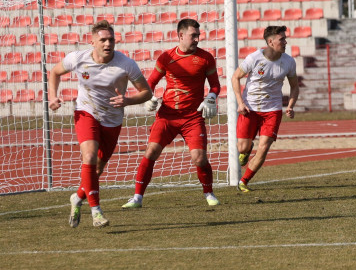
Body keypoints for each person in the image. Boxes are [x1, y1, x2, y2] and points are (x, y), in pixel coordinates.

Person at [47, 21, 152, 228]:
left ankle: (77, 197)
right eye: (103, 40)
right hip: (86, 112)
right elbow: (55, 72)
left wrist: (128, 100)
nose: (107, 43)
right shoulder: (78, 58)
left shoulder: (126, 64)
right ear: (92, 41)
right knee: (89, 156)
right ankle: (96, 212)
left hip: (112, 120)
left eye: (111, 39)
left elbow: (146, 92)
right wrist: (53, 96)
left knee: (97, 169)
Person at [122, 18, 222, 208]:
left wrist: (211, 97)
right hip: (167, 115)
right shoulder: (166, 57)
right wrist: (150, 98)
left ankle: (209, 193)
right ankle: (137, 197)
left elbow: (215, 85)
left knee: (199, 158)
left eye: (198, 35)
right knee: (151, 152)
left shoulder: (206, 58)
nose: (197, 39)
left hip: (192, 117)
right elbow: (150, 82)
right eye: (193, 35)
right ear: (180, 35)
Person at [231, 25, 299, 192]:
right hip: (250, 108)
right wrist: (240, 103)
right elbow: (235, 77)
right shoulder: (254, 58)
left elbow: (295, 87)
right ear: (270, 42)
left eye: (285, 38)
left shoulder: (289, 62)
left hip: (273, 110)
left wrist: (290, 105)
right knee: (243, 147)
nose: (285, 41)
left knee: (264, 146)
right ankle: (246, 152)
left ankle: (244, 181)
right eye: (281, 39)